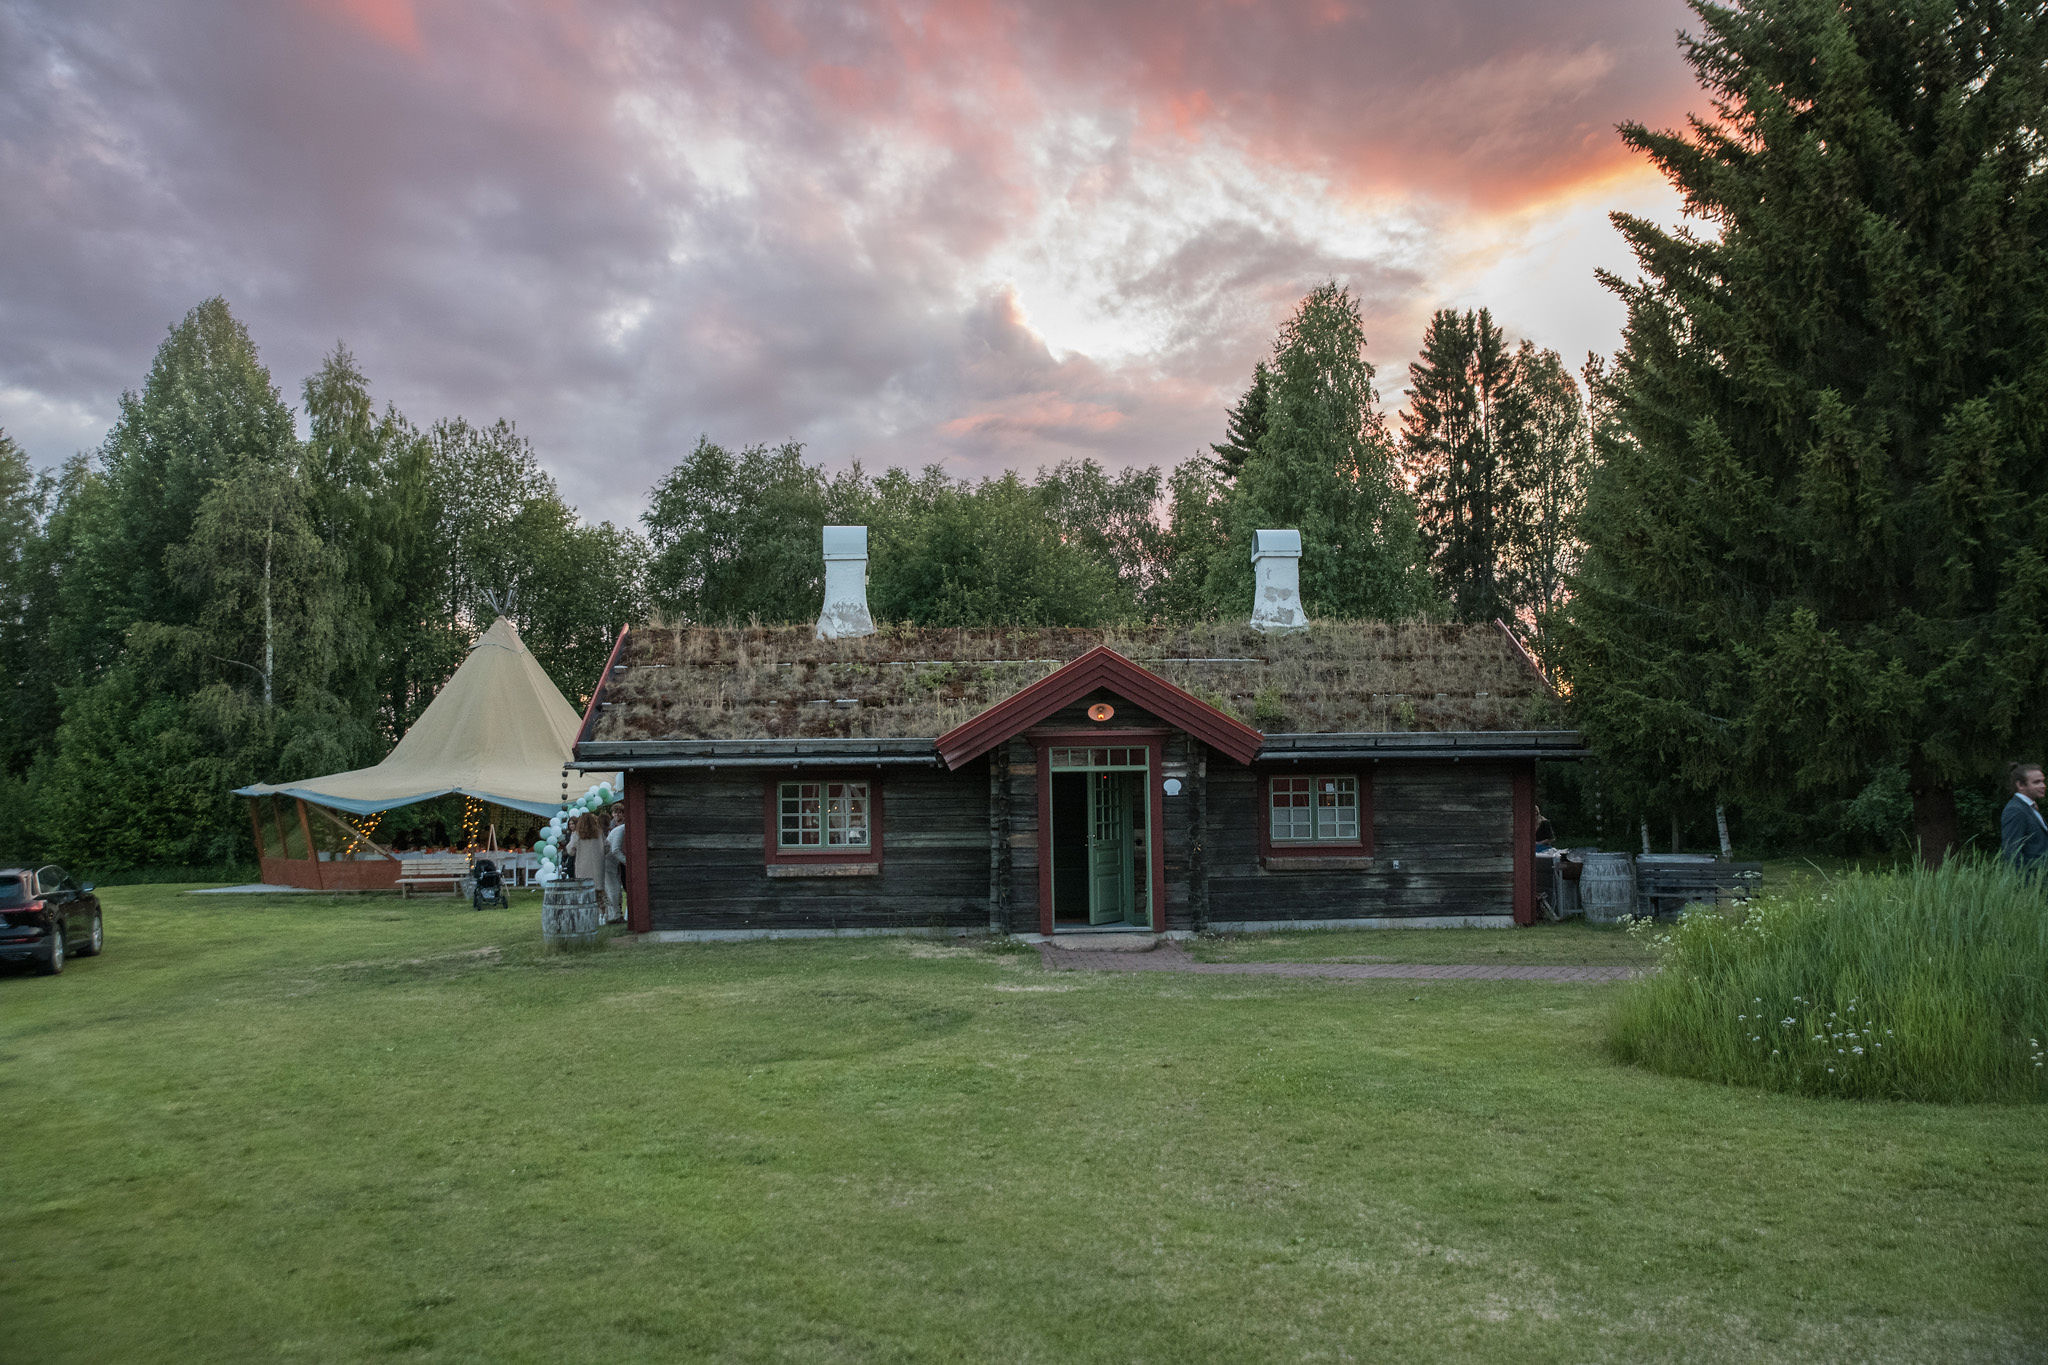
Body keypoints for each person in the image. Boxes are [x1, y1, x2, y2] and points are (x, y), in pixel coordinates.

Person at [2001, 761, 2047, 872]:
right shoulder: (2015, 810)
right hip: (2034, 883)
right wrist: (2026, 886)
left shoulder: (2029, 808)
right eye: (2037, 782)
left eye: (2043, 781)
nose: (2043, 786)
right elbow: (2011, 852)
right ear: (2020, 785)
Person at [566, 811, 610, 918]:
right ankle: (603, 914)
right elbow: (607, 847)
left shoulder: (577, 834)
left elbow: (571, 851)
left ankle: (587, 915)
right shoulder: (599, 833)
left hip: (583, 867)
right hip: (598, 866)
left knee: (585, 892)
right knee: (600, 892)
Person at [604, 807, 627, 925]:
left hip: (615, 864)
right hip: (608, 864)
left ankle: (616, 915)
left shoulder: (622, 830)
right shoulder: (620, 830)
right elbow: (615, 850)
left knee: (615, 890)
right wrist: (628, 863)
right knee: (613, 890)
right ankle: (614, 917)